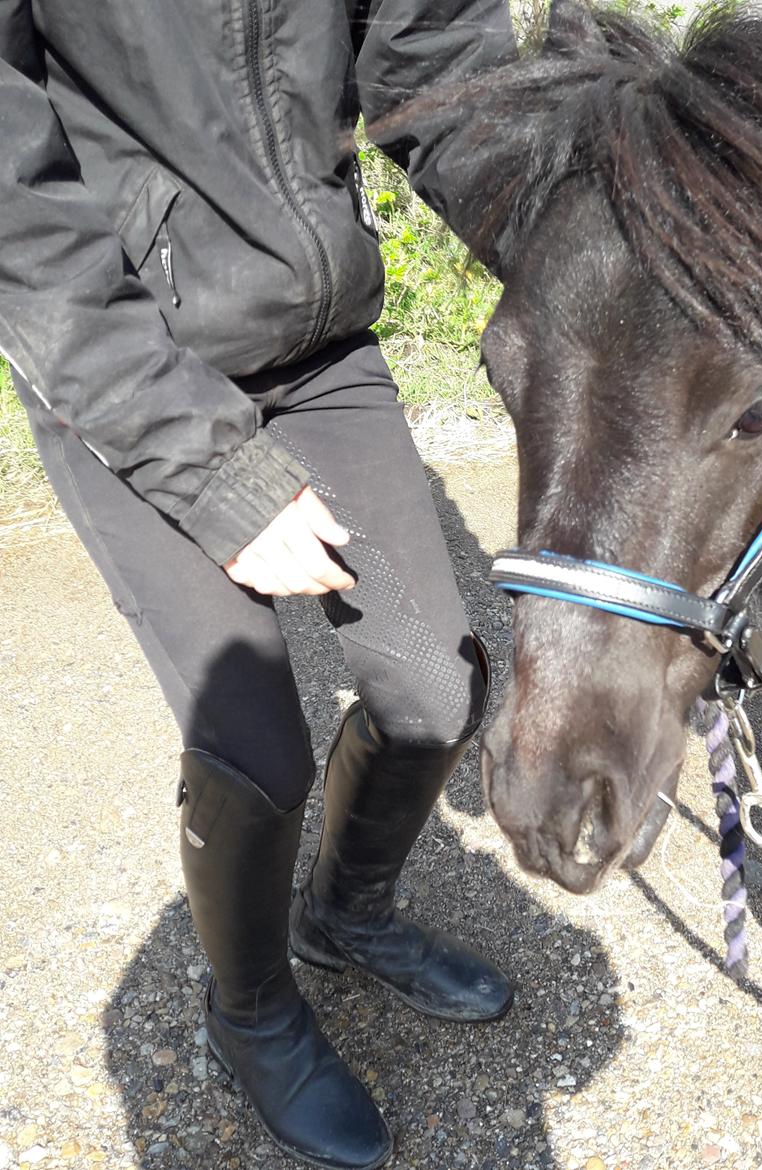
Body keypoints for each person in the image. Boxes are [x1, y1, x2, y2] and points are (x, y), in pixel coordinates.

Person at [0, 2, 516, 1167]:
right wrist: (216, 475)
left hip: (321, 346)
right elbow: (14, 206)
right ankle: (253, 1012)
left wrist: (590, 261)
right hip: (126, 367)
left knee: (438, 689)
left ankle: (348, 916)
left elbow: (440, 64)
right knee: (259, 752)